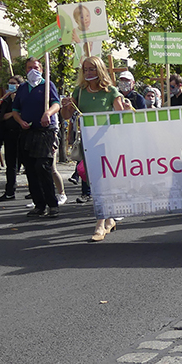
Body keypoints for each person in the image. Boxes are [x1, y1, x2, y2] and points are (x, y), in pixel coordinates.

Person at [65, 56, 128, 241]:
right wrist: (66, 106)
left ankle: (100, 224)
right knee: (97, 183)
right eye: (85, 69)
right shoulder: (80, 91)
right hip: (87, 144)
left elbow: (121, 116)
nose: (88, 73)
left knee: (102, 183)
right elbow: (67, 115)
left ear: (100, 70)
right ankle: (109, 219)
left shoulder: (111, 91)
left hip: (107, 143)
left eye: (92, 69)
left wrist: (125, 107)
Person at [12, 57, 62, 218]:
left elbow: (56, 104)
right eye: (29, 68)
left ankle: (52, 204)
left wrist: (48, 113)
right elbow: (15, 110)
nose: (33, 71)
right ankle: (39, 204)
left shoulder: (47, 86)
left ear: (41, 69)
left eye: (36, 67)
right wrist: (20, 121)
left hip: (45, 132)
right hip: (27, 132)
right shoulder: (22, 88)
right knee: (31, 169)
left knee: (43, 166)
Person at [0, 76, 24, 201]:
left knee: (28, 163)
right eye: (10, 83)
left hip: (23, 134)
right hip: (9, 134)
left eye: (14, 83)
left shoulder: (24, 97)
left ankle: (35, 190)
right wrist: (13, 113)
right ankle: (10, 190)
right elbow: (1, 116)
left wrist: (15, 113)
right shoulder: (7, 99)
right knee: (10, 164)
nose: (11, 85)